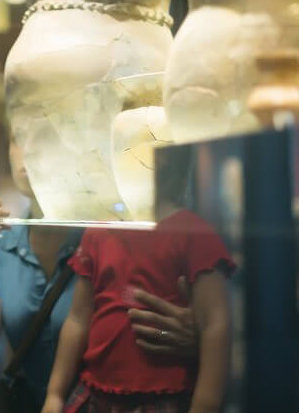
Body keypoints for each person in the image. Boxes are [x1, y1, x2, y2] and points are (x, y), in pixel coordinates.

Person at [0, 119, 200, 407]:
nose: (30, 150)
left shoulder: (115, 236)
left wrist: (190, 339)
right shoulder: (2, 242)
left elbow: (146, 327)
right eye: (18, 137)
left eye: (47, 137)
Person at [42, 146, 235, 413]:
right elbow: (78, 318)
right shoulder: (100, 229)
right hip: (96, 394)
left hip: (163, 398)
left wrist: (205, 405)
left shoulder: (193, 233)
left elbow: (215, 325)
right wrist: (54, 394)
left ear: (162, 153)